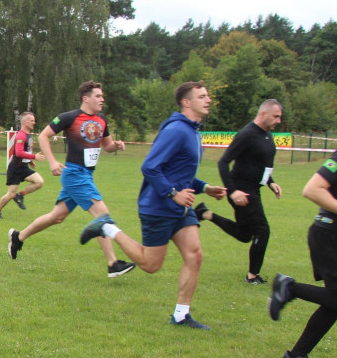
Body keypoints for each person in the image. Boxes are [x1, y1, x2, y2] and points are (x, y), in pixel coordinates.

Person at [80, 81, 227, 329]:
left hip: (179, 207)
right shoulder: (177, 131)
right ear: (186, 102)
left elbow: (179, 172)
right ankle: (107, 228)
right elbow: (149, 167)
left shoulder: (193, 131)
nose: (208, 100)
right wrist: (173, 193)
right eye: (202, 96)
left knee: (195, 255)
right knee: (150, 265)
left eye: (208, 96)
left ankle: (181, 315)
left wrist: (205, 188)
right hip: (158, 206)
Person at [7, 81, 135, 278]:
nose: (102, 99)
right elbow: (43, 136)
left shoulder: (101, 120)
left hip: (86, 175)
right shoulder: (69, 117)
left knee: (57, 217)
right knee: (102, 216)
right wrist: (51, 162)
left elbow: (107, 146)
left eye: (102, 96)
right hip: (75, 174)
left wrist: (116, 146)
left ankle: (19, 236)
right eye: (98, 96)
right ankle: (113, 263)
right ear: (86, 98)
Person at [266, 148, 337, 358]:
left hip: (334, 235)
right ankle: (289, 287)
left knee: (335, 301)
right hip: (330, 235)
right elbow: (312, 190)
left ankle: (297, 355)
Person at [194, 99, 284, 284]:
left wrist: (270, 183)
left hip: (254, 189)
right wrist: (233, 192)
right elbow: (223, 162)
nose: (278, 120)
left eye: (280, 117)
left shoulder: (267, 135)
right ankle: (252, 277)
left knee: (245, 235)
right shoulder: (247, 134)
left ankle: (205, 213)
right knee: (262, 230)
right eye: (276, 116)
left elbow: (261, 164)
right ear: (263, 114)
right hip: (243, 191)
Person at [0, 111, 44, 218]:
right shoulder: (21, 135)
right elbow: (19, 152)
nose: (34, 122)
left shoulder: (28, 135)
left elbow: (25, 151)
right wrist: (34, 157)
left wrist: (29, 161)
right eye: (31, 120)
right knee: (11, 193)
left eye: (34, 120)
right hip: (16, 168)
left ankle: (20, 196)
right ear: (24, 122)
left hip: (23, 167)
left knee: (39, 182)